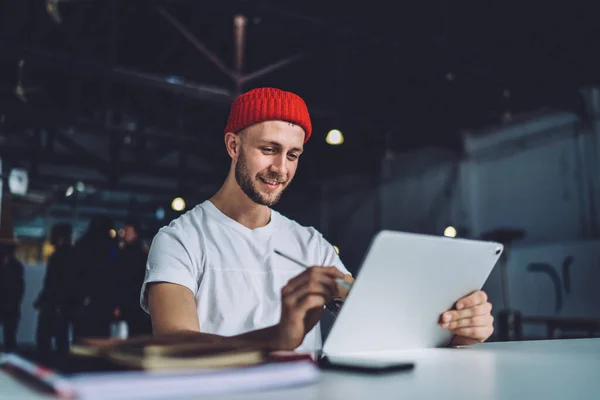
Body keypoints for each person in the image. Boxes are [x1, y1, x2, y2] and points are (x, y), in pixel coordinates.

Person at [142, 87, 494, 352]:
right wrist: (276, 339)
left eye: (292, 154)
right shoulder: (180, 239)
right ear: (233, 146)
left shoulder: (311, 245)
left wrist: (458, 331)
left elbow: (377, 321)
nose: (281, 168)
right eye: (269, 149)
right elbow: (173, 345)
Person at [34, 223, 77, 354]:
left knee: (47, 338)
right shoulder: (70, 254)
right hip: (58, 304)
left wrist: (56, 302)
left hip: (54, 304)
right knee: (60, 338)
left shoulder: (60, 256)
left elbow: (56, 282)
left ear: (59, 237)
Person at [115, 218, 151, 337]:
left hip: (130, 299)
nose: (124, 233)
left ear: (135, 232)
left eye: (127, 230)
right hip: (137, 299)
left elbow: (124, 278)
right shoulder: (142, 251)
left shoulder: (129, 252)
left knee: (132, 332)